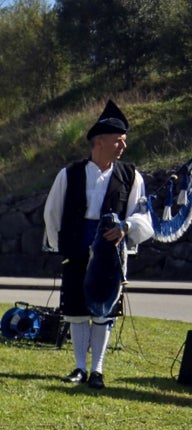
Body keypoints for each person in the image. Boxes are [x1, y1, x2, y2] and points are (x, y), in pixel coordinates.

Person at [43, 99, 153, 389]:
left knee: (103, 310)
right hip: (77, 247)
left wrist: (127, 228)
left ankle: (98, 369)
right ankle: (79, 366)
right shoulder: (70, 174)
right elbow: (52, 212)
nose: (123, 147)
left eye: (124, 141)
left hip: (109, 253)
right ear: (99, 142)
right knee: (77, 310)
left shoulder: (131, 176)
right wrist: (62, 246)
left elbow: (142, 215)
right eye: (119, 141)